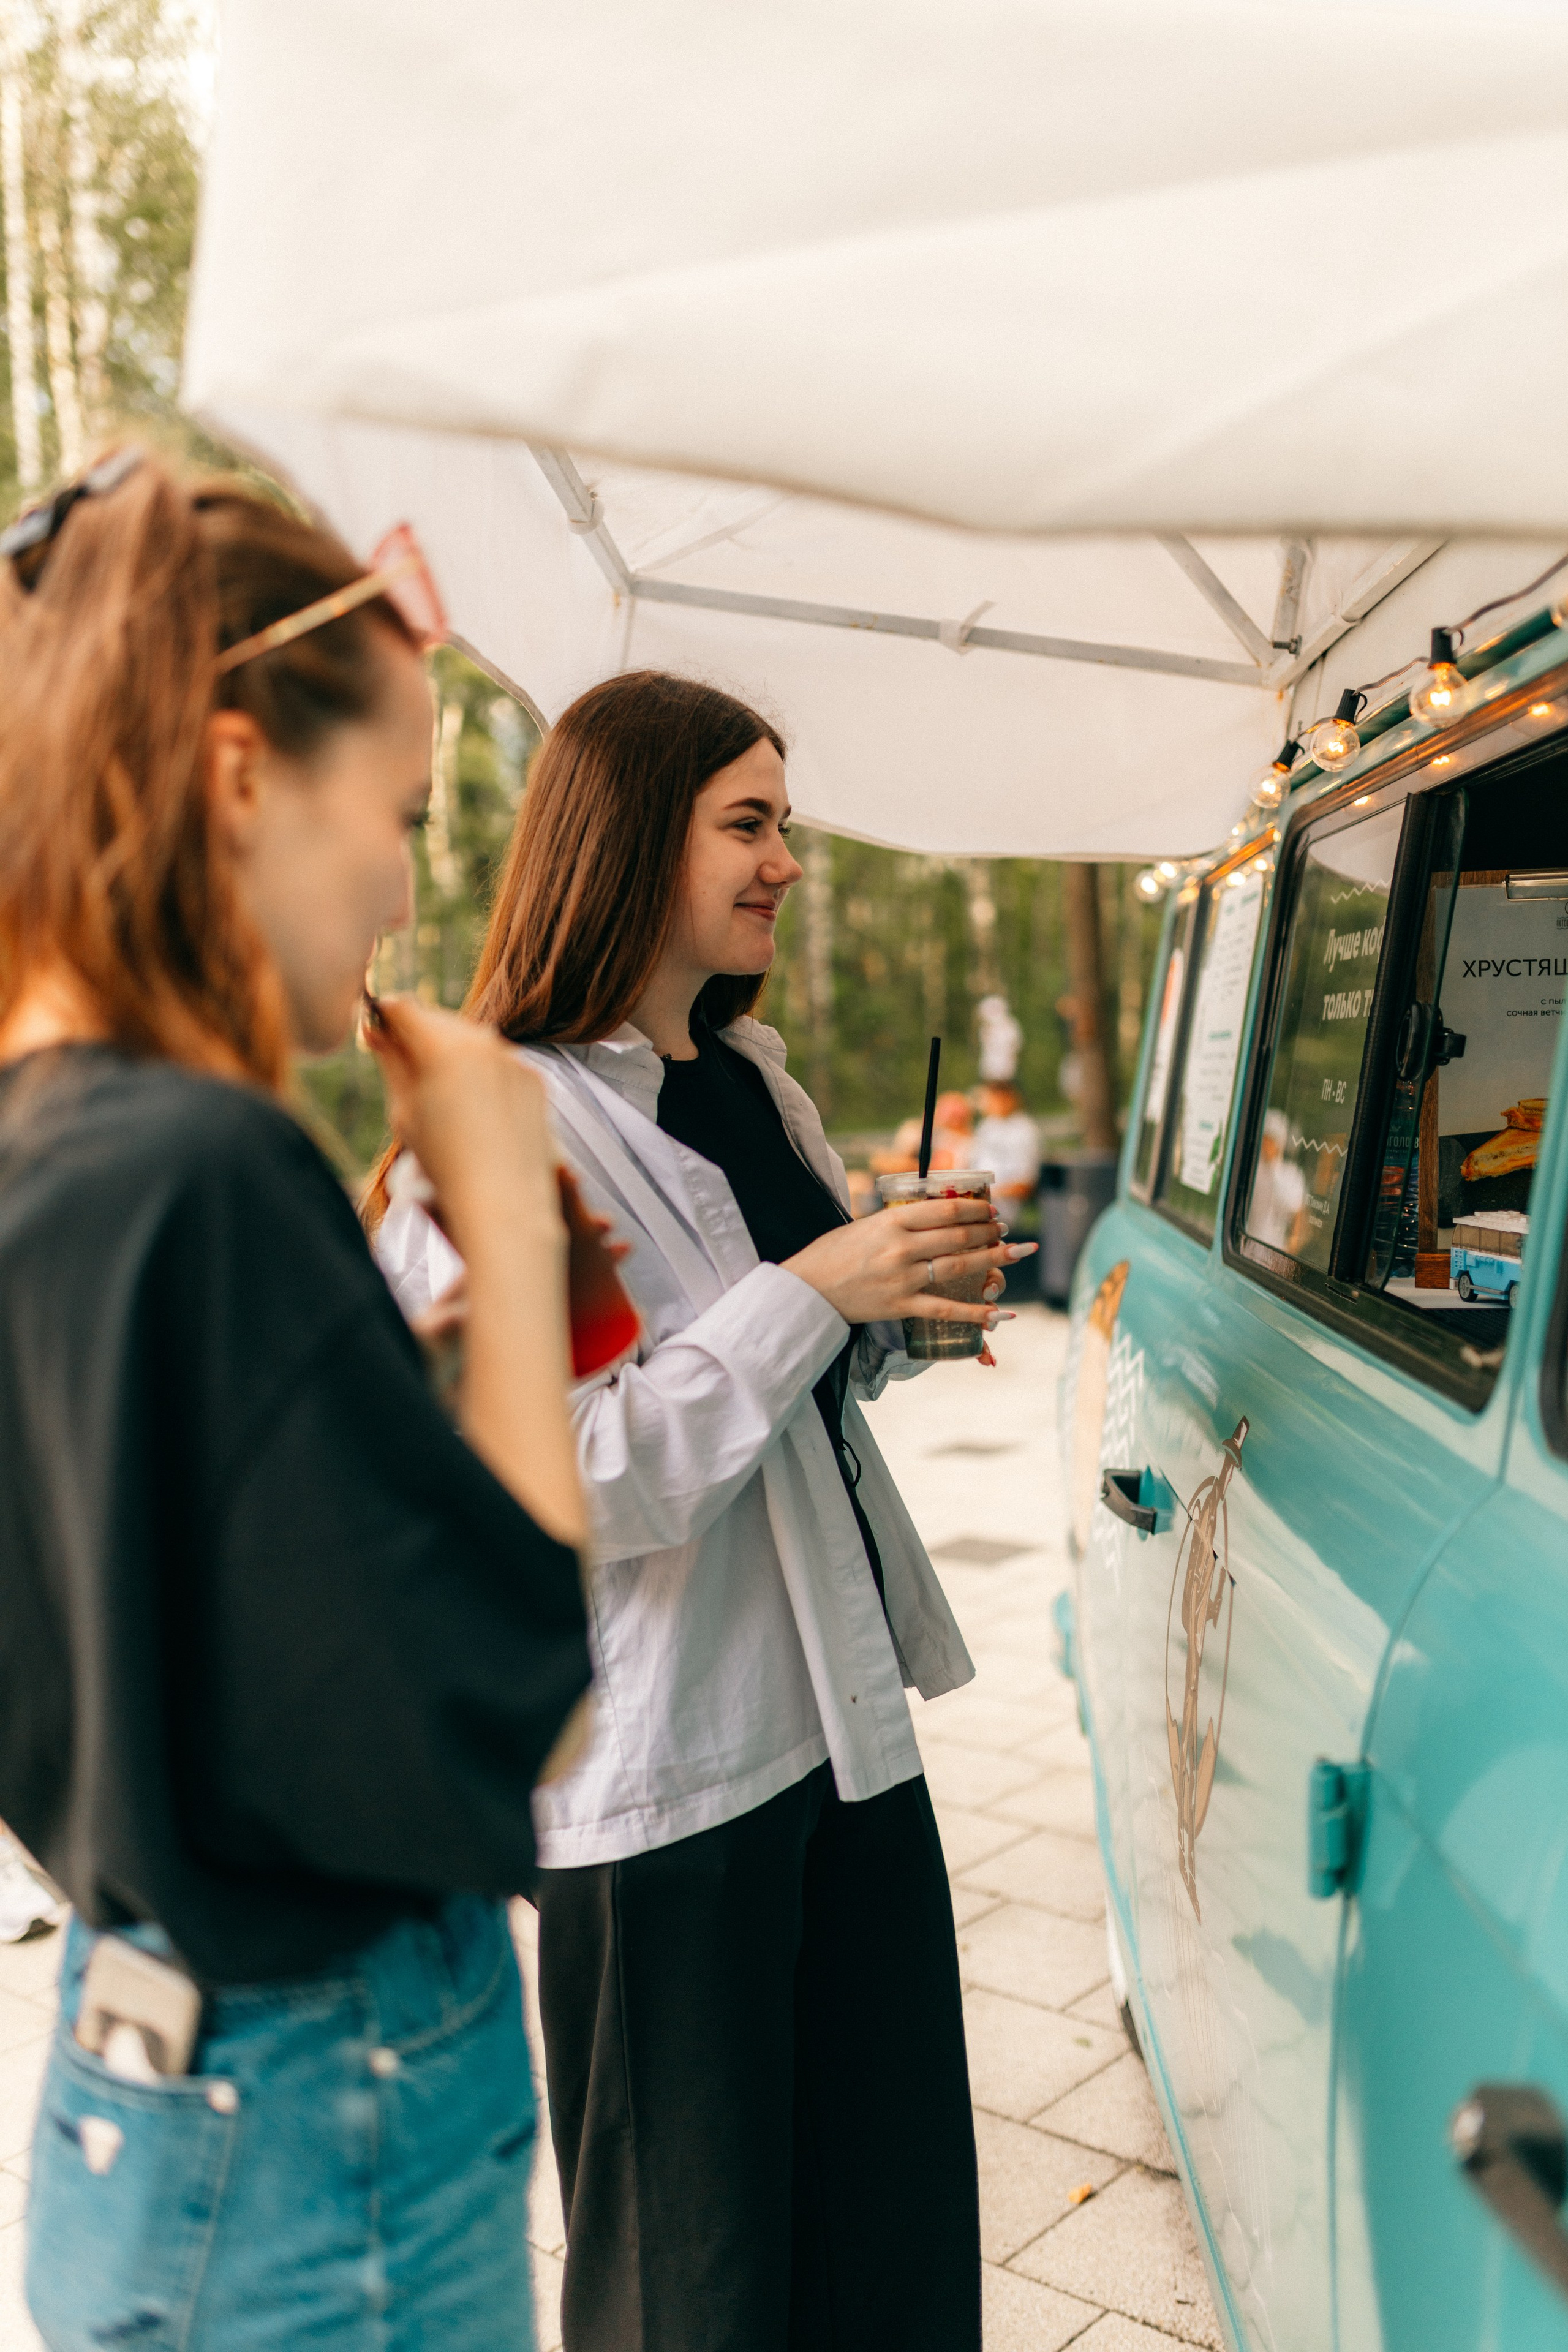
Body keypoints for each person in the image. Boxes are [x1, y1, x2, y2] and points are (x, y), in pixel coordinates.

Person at [0, 450, 593, 2351]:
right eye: (404, 810)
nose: (411, 882)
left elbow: (168, 1581)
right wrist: (502, 1215)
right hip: (319, 2115)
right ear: (244, 771)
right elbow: (521, 1719)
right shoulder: (205, 1172)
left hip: (143, 2092)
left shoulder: (55, 1145)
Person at [375, 671, 1036, 2352]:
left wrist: (892, 1309)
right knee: (702, 2292)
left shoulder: (756, 1078)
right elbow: (569, 1474)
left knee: (885, 2244)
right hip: (663, 1798)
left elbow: (789, 1381)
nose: (785, 863)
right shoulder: (499, 1121)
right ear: (624, 841)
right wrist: (818, 1288)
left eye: (786, 827)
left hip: (847, 1753)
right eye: (748, 823)